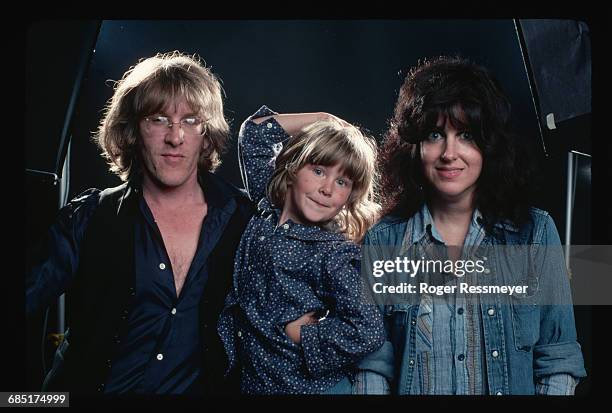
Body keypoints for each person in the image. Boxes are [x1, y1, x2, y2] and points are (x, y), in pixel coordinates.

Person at [26, 51, 254, 395]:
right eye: (159, 119)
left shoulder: (240, 216)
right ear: (132, 130)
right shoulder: (89, 215)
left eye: (191, 120)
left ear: (206, 135)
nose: (175, 137)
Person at [360, 56, 586, 395]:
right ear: (415, 147)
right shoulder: (383, 240)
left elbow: (558, 361)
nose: (449, 153)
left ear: (489, 145)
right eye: (435, 134)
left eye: (466, 134)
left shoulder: (536, 233)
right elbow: (372, 368)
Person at [217, 105, 387, 394]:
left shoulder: (332, 253)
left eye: (342, 181)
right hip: (255, 385)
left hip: (310, 390)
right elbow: (254, 133)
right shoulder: (266, 204)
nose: (327, 189)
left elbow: (368, 329)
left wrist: (307, 335)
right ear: (293, 168)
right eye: (318, 170)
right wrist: (323, 120)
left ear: (349, 195)